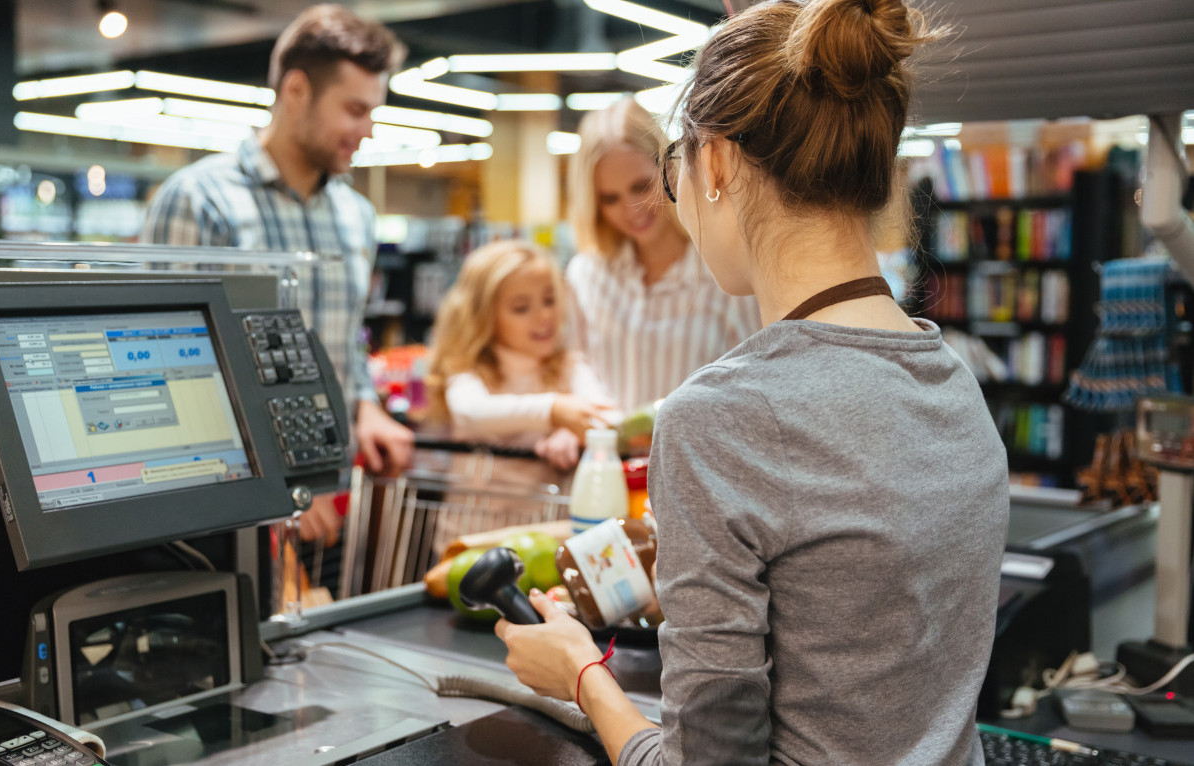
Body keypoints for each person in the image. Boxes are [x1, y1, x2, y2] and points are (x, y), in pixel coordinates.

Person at [495, 2, 1010, 765]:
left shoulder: (718, 419)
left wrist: (581, 677)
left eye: (675, 166)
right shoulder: (953, 382)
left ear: (718, 163)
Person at [141, 4, 414, 544]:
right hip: (226, 505)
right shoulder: (201, 200)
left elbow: (344, 341)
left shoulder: (355, 215)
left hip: (331, 494)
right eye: (355, 109)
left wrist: (365, 407)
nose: (368, 130)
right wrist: (274, 482)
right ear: (296, 90)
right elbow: (170, 362)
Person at [565, 97, 760, 414]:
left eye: (641, 186)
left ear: (671, 167)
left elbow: (757, 378)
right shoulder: (585, 275)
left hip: (699, 459)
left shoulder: (725, 270)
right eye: (610, 198)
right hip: (609, 459)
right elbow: (573, 362)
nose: (632, 210)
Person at [423, 240, 613, 548]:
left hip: (545, 543)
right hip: (470, 541)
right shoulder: (469, 370)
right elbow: (471, 412)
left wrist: (575, 432)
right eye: (521, 308)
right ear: (483, 316)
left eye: (549, 300)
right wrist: (554, 410)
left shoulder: (568, 367)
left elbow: (607, 415)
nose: (543, 317)